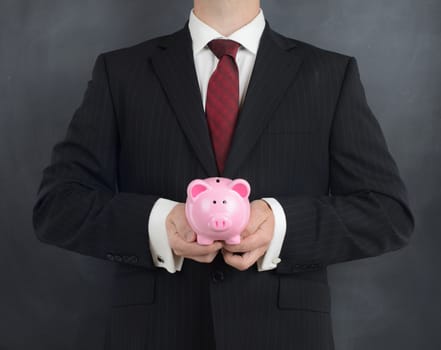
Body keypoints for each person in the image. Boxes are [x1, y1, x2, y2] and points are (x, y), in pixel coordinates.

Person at [32, 0, 415, 349]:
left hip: (285, 336)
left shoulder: (331, 74)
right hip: (153, 332)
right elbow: (58, 206)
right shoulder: (121, 72)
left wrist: (279, 224)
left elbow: (386, 214)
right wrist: (158, 224)